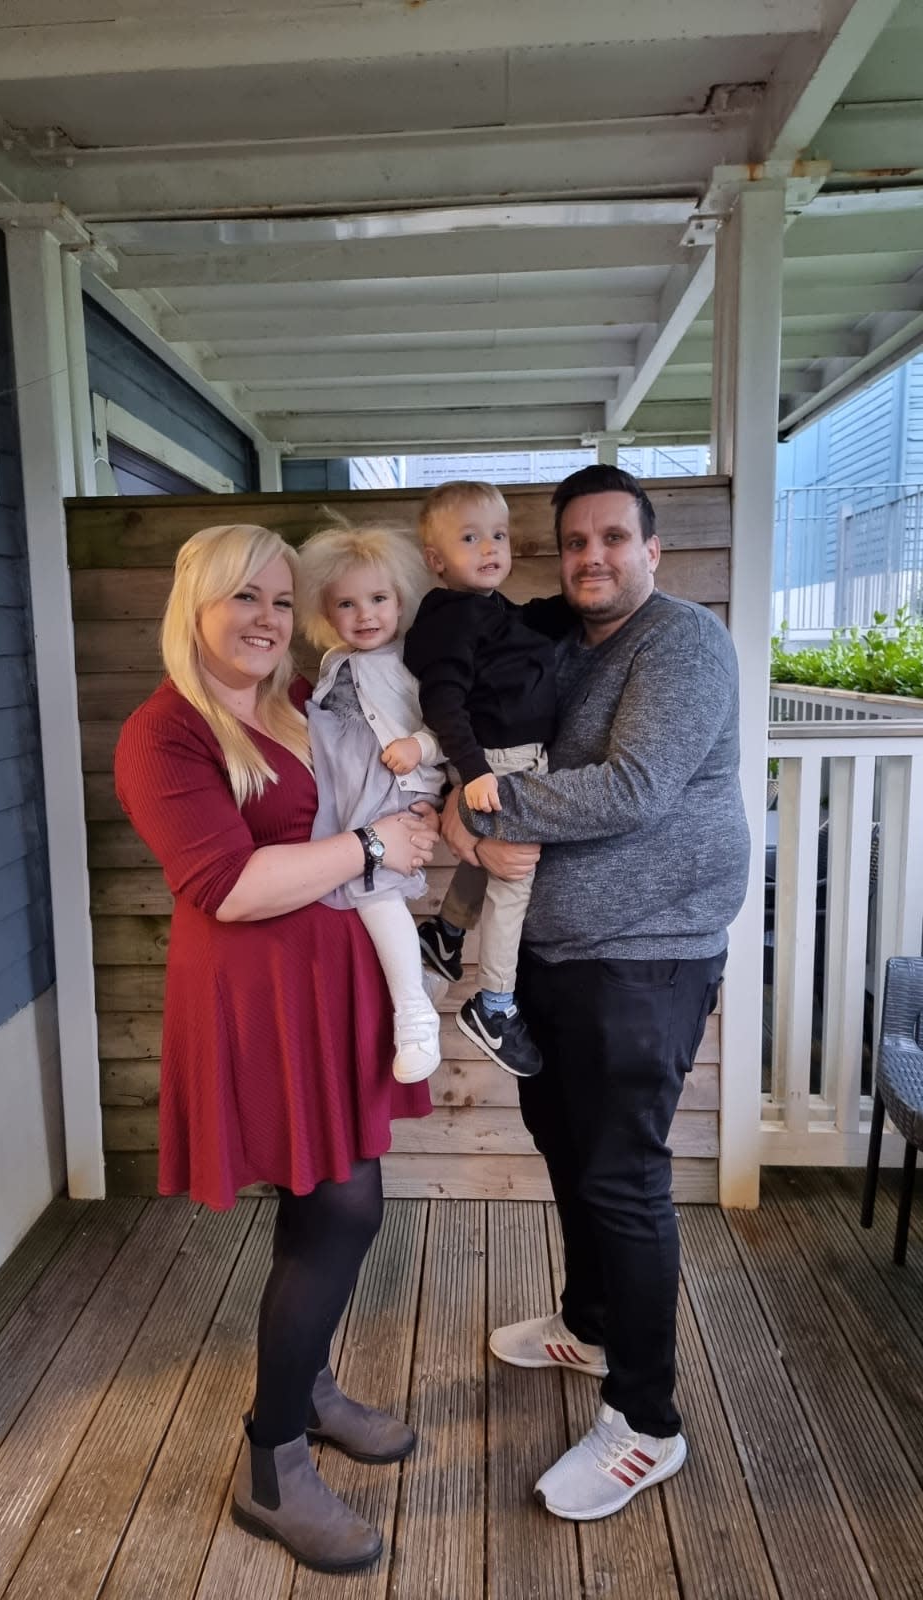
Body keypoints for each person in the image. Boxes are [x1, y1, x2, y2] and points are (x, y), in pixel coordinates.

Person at [113, 524, 438, 1574]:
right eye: (239, 598)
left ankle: (309, 1386)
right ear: (194, 607)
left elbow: (381, 785)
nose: (262, 617)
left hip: (331, 986)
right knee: (343, 1206)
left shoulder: (304, 702)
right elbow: (229, 885)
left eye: (274, 597)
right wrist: (376, 846)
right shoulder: (166, 736)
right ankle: (272, 1459)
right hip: (255, 999)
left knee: (330, 1201)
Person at [439, 465, 750, 1522]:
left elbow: (632, 788)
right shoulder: (564, 646)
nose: (593, 557)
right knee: (570, 1152)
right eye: (575, 541)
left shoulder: (684, 644)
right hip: (554, 961)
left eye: (614, 538)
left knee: (624, 1178)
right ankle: (592, 1324)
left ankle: (647, 1421)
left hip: (647, 954)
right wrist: (462, 808)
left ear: (651, 551)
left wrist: (477, 807)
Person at [404, 481, 558, 1079]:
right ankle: (494, 1005)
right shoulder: (451, 620)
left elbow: (522, 624)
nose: (490, 547)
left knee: (484, 864)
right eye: (470, 538)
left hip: (512, 762)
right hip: (498, 764)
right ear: (437, 561)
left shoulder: (488, 610)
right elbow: (443, 702)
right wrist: (473, 774)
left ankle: (445, 934)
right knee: (513, 882)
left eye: (498, 535)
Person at [298, 522, 446, 1083]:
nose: (366, 615)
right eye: (347, 604)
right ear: (326, 612)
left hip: (393, 791)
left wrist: (422, 746)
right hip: (348, 799)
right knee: (349, 898)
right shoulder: (334, 662)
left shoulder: (414, 659)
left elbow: (453, 726)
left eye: (379, 599)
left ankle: (415, 1018)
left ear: (401, 599)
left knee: (376, 896)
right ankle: (412, 985)